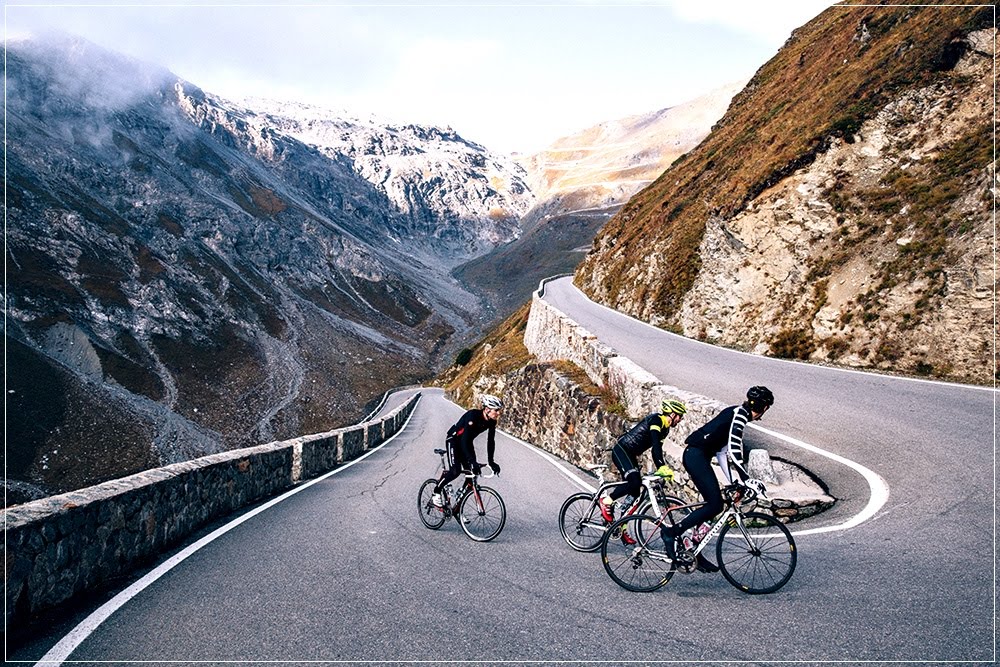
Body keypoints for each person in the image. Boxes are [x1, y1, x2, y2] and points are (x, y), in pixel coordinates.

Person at [662, 385, 775, 573]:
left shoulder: (737, 413)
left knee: (716, 503)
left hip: (698, 456)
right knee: (714, 505)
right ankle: (671, 532)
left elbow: (722, 453)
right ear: (763, 407)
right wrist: (746, 479)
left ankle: (694, 550)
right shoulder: (739, 415)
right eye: (766, 408)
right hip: (695, 455)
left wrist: (733, 482)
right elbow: (734, 448)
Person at [598, 398, 687, 522]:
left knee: (635, 493)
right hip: (622, 450)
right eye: (680, 416)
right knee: (634, 481)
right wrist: (662, 466)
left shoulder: (665, 429)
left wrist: (662, 466)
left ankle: (620, 525)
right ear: (672, 414)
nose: (680, 419)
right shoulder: (656, 420)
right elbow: (655, 445)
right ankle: (606, 501)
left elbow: (657, 451)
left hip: (631, 454)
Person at [432, 394, 504, 507]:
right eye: (497, 410)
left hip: (467, 443)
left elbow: (491, 441)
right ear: (487, 409)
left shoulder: (491, 421)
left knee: (472, 474)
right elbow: (464, 440)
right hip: (454, 440)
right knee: (455, 470)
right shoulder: (473, 416)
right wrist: (472, 461)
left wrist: (491, 461)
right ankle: (436, 492)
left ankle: (458, 509)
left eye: (499, 410)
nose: (499, 413)